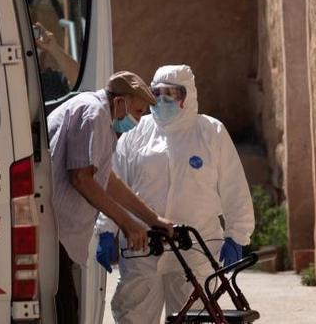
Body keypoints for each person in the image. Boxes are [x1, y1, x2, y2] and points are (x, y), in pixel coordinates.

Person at [95, 64, 255, 324]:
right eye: (157, 93)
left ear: (187, 95)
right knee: (133, 315)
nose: (163, 100)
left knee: (192, 317)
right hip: (143, 247)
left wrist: (237, 235)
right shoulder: (137, 132)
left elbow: (234, 187)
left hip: (195, 248)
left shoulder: (210, 132)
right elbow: (115, 182)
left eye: (172, 93)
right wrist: (106, 229)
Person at [48, 70, 174, 324]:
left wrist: (153, 219)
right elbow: (82, 178)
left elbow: (108, 182)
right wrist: (127, 224)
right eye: (137, 112)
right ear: (120, 102)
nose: (137, 121)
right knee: (64, 312)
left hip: (60, 235)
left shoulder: (99, 115)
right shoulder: (94, 114)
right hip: (54, 233)